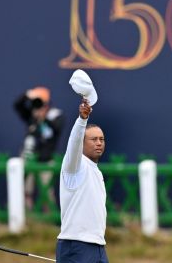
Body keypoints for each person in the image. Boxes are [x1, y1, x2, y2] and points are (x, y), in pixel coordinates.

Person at [56, 98, 108, 262]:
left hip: (98, 245)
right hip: (77, 244)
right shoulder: (74, 166)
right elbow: (73, 143)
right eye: (94, 139)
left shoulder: (96, 171)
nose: (99, 143)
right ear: (82, 144)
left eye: (102, 139)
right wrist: (82, 120)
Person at [13, 87, 64, 210]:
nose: (39, 106)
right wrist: (28, 94)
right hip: (28, 157)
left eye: (42, 103)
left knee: (47, 192)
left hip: (46, 159)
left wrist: (44, 118)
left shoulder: (55, 115)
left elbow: (57, 128)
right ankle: (27, 218)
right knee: (26, 190)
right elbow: (17, 105)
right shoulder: (31, 116)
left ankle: (49, 221)